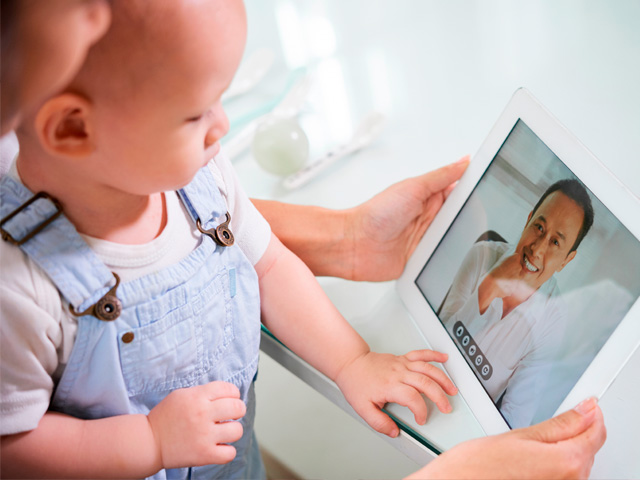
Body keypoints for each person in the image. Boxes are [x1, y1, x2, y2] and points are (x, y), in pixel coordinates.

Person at [0, 1, 606, 478]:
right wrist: (148, 441)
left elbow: (268, 267)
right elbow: (13, 444)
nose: (224, 125)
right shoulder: (18, 287)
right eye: (195, 114)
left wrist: (352, 361)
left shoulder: (201, 180)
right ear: (74, 128)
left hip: (229, 462)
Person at [440, 179, 595, 428]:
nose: (537, 249)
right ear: (529, 219)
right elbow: (436, 343)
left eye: (555, 242)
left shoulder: (553, 320)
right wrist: (488, 287)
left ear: (566, 260)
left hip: (469, 427)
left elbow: (515, 416)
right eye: (539, 227)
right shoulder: (482, 255)